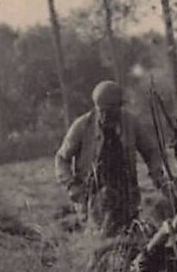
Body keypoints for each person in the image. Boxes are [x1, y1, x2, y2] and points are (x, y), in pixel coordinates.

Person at [55, 81, 170, 237]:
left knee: (128, 236)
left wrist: (157, 175)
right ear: (97, 107)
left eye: (112, 110)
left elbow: (151, 151)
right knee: (100, 240)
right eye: (103, 111)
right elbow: (62, 159)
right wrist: (71, 185)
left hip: (126, 194)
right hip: (92, 198)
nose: (107, 116)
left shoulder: (131, 123)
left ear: (119, 106)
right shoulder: (82, 126)